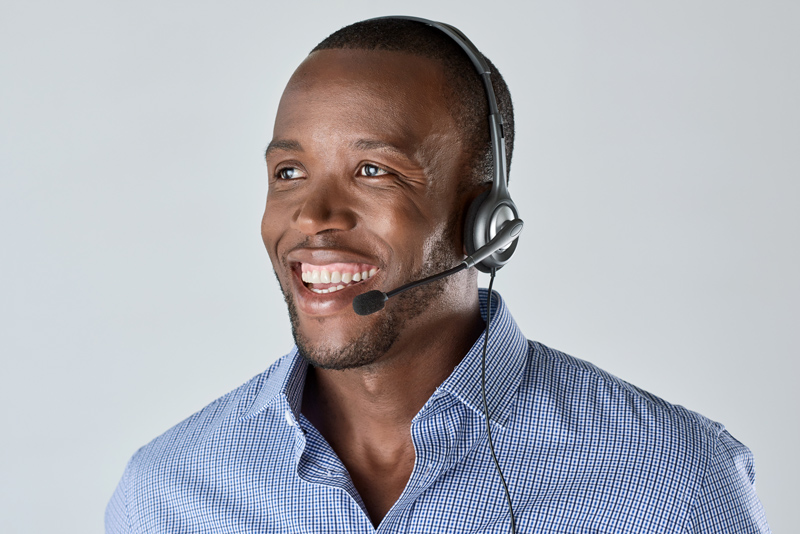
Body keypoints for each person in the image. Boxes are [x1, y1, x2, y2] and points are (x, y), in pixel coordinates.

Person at [106, 17, 770, 533]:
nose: (313, 216)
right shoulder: (168, 492)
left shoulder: (676, 480)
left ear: (488, 222)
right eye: (289, 173)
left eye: (375, 171)